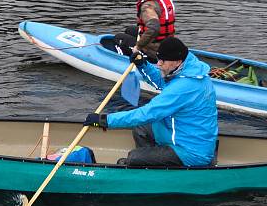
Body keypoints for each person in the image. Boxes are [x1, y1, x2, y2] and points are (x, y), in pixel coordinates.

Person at [83, 37, 217, 167]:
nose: (158, 64)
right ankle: (154, 162)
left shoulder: (183, 87)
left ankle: (148, 165)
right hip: (182, 135)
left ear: (176, 62)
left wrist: (105, 120)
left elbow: (146, 114)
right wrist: (142, 65)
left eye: (162, 61)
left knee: (134, 158)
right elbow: (160, 82)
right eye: (159, 59)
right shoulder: (189, 71)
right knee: (141, 127)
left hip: (190, 153)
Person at [112, 0, 176, 61]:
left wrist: (138, 47)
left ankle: (128, 60)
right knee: (130, 30)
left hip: (154, 52)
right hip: (166, 45)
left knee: (118, 38)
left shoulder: (147, 6)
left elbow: (154, 28)